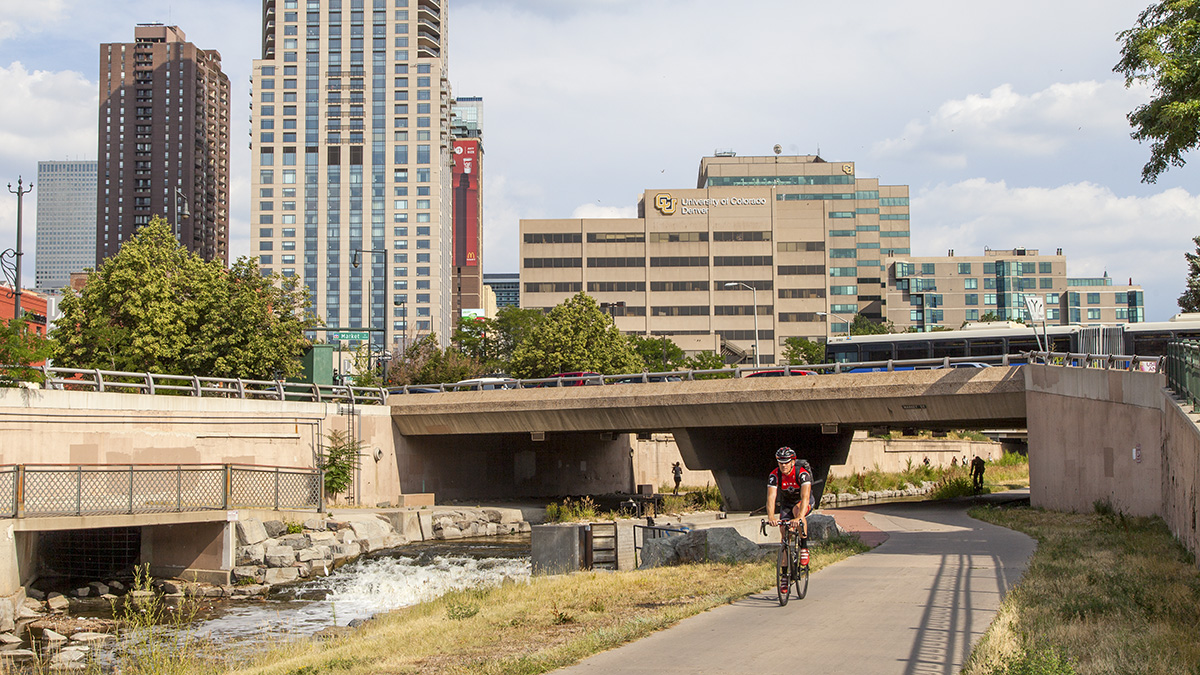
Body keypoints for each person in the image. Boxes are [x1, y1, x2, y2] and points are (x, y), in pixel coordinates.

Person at [766, 446, 814, 586]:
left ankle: (804, 546)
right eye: (780, 462)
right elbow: (771, 497)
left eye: (786, 462)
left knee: (797, 510)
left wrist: (799, 518)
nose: (783, 465)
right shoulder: (774, 475)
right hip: (787, 503)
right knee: (784, 537)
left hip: (802, 502)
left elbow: (805, 497)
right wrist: (771, 517)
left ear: (792, 461)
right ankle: (784, 575)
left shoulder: (802, 473)